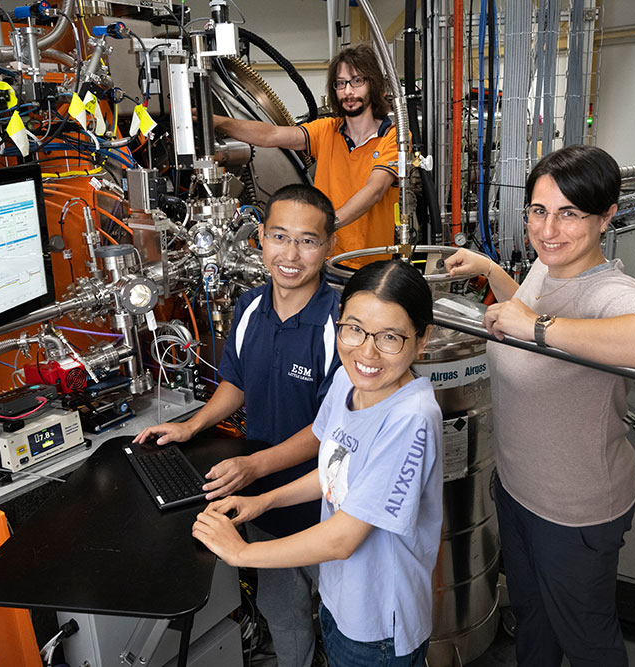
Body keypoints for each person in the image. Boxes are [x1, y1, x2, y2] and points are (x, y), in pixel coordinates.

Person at [445, 145, 635, 667]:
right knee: (533, 618)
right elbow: (530, 302)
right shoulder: (549, 268)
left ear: (607, 215)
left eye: (570, 213)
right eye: (539, 211)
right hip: (519, 491)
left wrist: (535, 328)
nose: (549, 230)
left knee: (587, 640)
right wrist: (493, 272)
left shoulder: (606, 291)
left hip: (573, 512)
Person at [192, 260, 443, 667]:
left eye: (390, 337)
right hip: (338, 597)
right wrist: (265, 502)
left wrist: (241, 554)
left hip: (377, 623)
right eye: (354, 329)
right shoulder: (350, 379)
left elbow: (342, 540)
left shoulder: (410, 419)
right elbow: (334, 469)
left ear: (422, 338)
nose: (367, 352)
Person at [134, 183, 341, 667]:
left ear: (329, 246)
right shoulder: (250, 307)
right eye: (278, 236)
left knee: (340, 616)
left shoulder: (339, 324)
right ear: (261, 240)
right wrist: (194, 425)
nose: (290, 254)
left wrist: (252, 466)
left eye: (307, 241)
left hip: (323, 505)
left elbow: (331, 430)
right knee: (283, 612)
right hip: (260, 506)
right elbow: (238, 382)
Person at [212, 44, 399, 259]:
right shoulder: (326, 129)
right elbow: (270, 135)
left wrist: (327, 224)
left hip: (370, 261)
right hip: (325, 258)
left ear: (372, 84)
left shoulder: (393, 136)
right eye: (341, 84)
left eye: (357, 81)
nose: (348, 91)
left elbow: (374, 190)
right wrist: (217, 122)